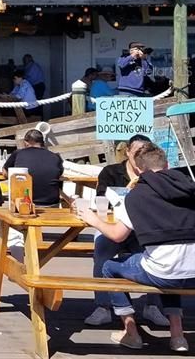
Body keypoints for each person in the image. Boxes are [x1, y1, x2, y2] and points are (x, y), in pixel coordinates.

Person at [77, 143, 195, 352]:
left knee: (109, 266)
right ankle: (178, 337)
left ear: (139, 169)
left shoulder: (137, 196)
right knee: (168, 263)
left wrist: (92, 219)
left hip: (163, 270)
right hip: (191, 271)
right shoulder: (190, 187)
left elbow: (116, 235)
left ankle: (131, 332)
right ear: (167, 165)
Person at [83, 134, 170, 329]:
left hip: (142, 227)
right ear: (128, 151)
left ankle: (152, 305)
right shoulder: (111, 171)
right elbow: (100, 198)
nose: (139, 154)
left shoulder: (153, 174)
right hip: (115, 222)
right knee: (102, 250)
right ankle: (103, 306)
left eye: (144, 151)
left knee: (150, 252)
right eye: (136, 151)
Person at [2, 129, 63, 207]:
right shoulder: (55, 157)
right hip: (52, 204)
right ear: (42, 143)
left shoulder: (18, 153)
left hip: (24, 204)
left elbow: (5, 171)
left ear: (26, 143)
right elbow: (59, 175)